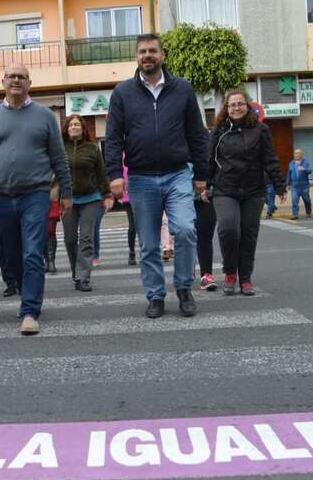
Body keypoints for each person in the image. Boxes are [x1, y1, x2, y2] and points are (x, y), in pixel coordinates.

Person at [105, 34, 209, 319]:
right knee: (149, 243)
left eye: (152, 50)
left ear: (162, 55)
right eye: (142, 51)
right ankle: (155, 296)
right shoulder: (123, 92)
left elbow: (197, 135)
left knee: (186, 231)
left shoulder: (182, 89)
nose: (147, 55)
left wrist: (201, 174)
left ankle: (184, 288)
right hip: (140, 179)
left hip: (178, 175)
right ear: (136, 57)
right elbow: (113, 138)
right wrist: (115, 174)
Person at [0, 64, 73, 336]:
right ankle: (23, 290)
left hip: (35, 195)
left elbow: (59, 157)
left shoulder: (45, 116)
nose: (16, 80)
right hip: (1, 198)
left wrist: (66, 193)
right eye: (11, 76)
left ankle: (30, 311)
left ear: (29, 83)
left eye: (21, 77)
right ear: (3, 81)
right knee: (9, 256)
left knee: (32, 253)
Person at [209, 89, 287, 296]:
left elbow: (270, 159)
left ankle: (245, 278)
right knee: (228, 229)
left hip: (253, 190)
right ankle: (229, 273)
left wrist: (279, 185)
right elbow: (209, 161)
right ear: (227, 108)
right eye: (232, 105)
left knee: (248, 234)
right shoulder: (218, 131)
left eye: (240, 104)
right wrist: (203, 185)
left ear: (248, 106)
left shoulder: (261, 130)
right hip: (225, 189)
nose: (236, 108)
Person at [61, 115, 113, 291]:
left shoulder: (92, 148)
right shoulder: (60, 148)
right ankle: (76, 272)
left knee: (86, 238)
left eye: (77, 124)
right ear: (66, 128)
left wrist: (107, 195)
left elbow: (101, 173)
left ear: (83, 129)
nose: (74, 127)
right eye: (71, 124)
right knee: (69, 239)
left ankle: (83, 277)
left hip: (91, 199)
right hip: (67, 200)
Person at [195, 186, 218, 291]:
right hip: (181, 194)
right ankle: (185, 269)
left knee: (205, 235)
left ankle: (206, 275)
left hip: (208, 193)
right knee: (184, 235)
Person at [287, 148, 313, 219]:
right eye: (296, 153)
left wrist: (304, 169)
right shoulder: (291, 163)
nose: (297, 155)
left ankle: (308, 212)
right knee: (294, 201)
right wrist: (288, 184)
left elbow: (310, 171)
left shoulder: (306, 162)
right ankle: (295, 215)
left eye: (298, 153)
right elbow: (289, 174)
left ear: (301, 154)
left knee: (307, 200)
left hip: (304, 185)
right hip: (294, 186)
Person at [122, 162, 137, 266]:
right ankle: (132, 252)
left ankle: (150, 251)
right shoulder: (122, 155)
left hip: (144, 192)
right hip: (128, 196)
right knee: (133, 226)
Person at [45, 178, 61, 275]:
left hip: (52, 198)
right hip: (35, 199)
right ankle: (46, 260)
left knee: (50, 231)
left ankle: (51, 260)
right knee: (41, 233)